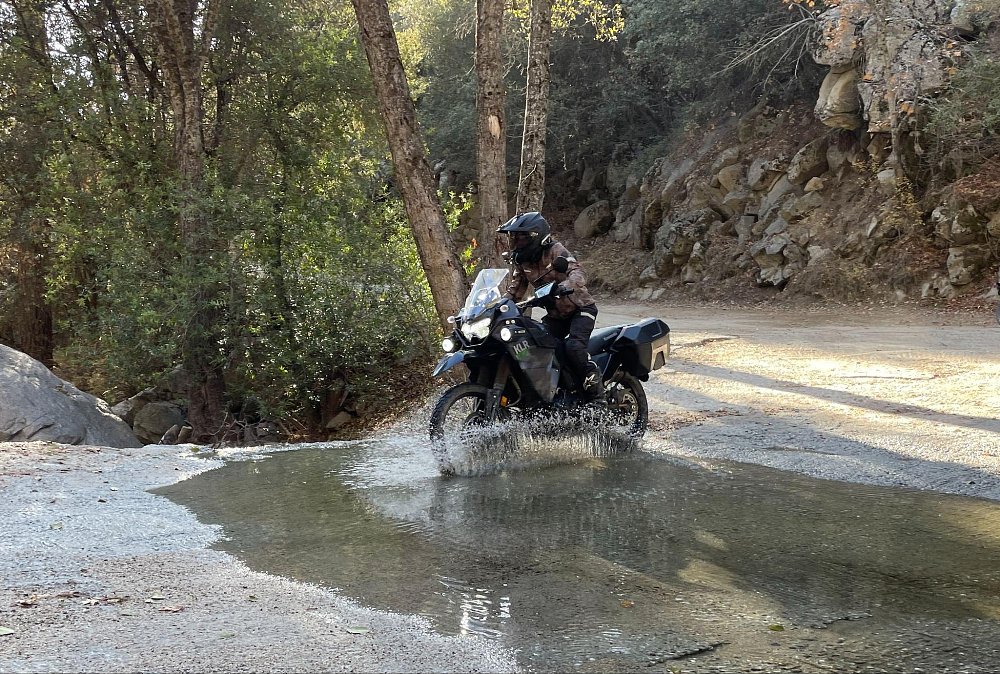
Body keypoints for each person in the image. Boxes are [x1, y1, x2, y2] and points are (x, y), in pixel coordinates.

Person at [497, 211, 604, 401]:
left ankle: (597, 396)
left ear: (535, 236)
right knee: (538, 346)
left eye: (521, 238)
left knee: (573, 347)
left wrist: (563, 287)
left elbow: (577, 272)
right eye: (514, 238)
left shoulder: (555, 250)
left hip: (580, 309)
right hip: (556, 315)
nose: (516, 243)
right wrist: (497, 307)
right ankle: (559, 390)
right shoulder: (523, 261)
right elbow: (515, 290)